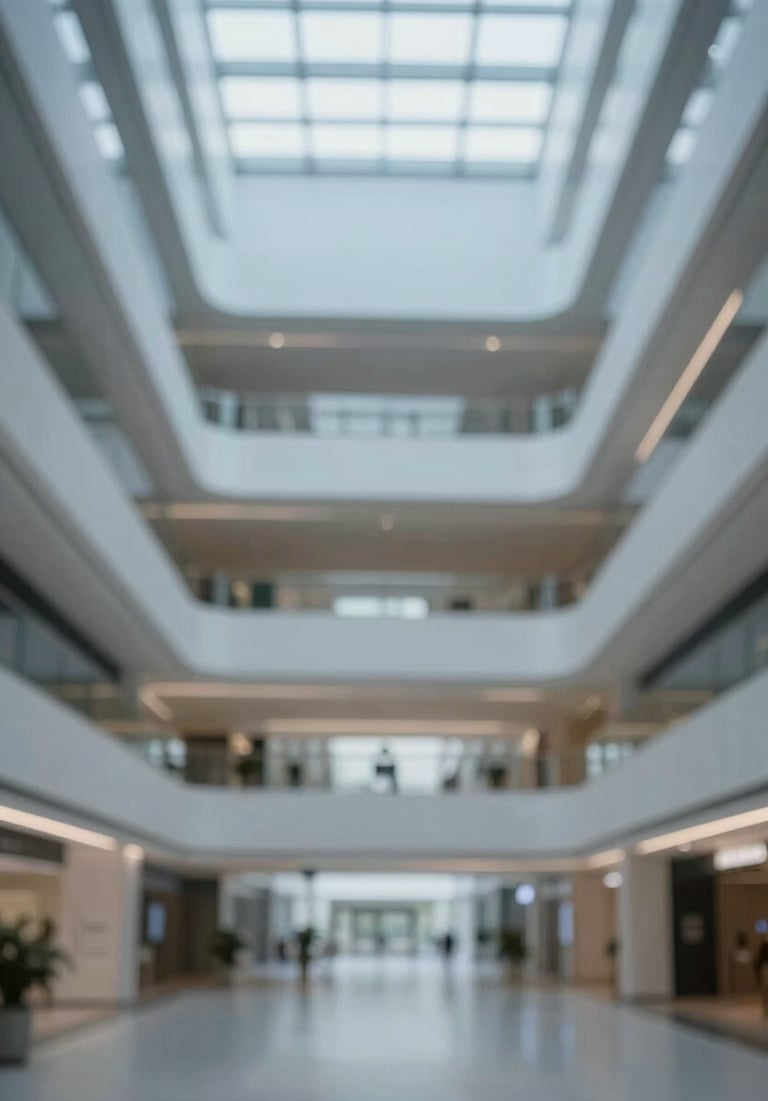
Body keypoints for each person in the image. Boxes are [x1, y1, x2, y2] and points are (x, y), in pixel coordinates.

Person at [754, 935, 768, 1017]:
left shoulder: (764, 946)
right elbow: (759, 960)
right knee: (765, 990)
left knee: (765, 991)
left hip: (764, 968)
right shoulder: (764, 947)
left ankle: (765, 1008)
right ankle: (765, 1008)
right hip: (765, 968)